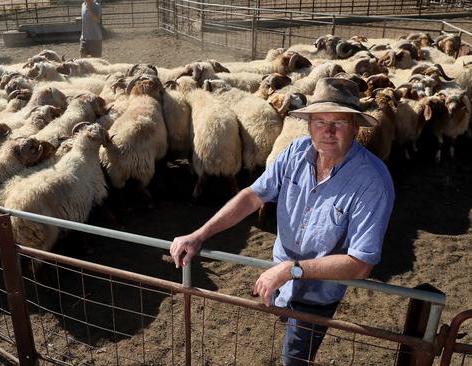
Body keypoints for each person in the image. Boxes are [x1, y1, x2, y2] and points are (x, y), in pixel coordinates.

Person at [169, 78, 395, 366]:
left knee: (294, 359)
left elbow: (361, 264)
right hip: (278, 276)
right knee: (282, 324)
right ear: (309, 123)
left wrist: (293, 270)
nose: (327, 131)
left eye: (338, 122)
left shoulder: (372, 182)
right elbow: (253, 196)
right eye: (319, 121)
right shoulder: (294, 152)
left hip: (317, 293)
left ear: (355, 126)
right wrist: (199, 235)